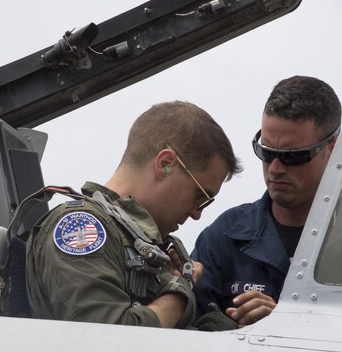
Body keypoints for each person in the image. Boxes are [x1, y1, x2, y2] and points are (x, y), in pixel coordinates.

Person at [192, 76, 342, 328]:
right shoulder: (226, 237)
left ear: (334, 149)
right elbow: (189, 331)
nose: (274, 169)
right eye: (266, 152)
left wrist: (289, 325)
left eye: (293, 156)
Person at [26, 100, 241, 329]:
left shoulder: (147, 247)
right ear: (166, 164)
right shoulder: (81, 226)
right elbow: (107, 336)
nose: (197, 213)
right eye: (199, 195)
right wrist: (180, 292)